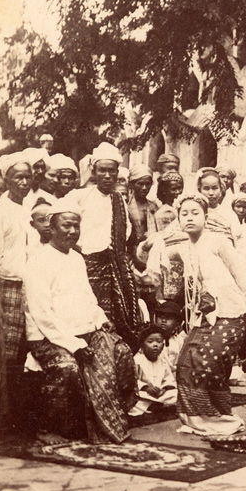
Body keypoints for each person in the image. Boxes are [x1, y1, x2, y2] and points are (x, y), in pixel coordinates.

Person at [24, 197, 135, 444]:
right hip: (47, 337)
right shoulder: (38, 261)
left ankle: (106, 419)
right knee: (68, 368)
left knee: (122, 352)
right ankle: (47, 428)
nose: (72, 231)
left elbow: (88, 298)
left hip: (83, 331)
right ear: (51, 228)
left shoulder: (77, 258)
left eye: (76, 226)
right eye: (66, 225)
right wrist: (74, 345)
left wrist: (101, 318)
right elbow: (42, 315)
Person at [151, 194, 246, 436]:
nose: (189, 218)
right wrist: (152, 243)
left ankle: (218, 417)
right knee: (185, 363)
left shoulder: (217, 241)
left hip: (230, 313)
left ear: (206, 217)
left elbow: (239, 271)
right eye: (184, 214)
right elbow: (160, 250)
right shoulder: (184, 247)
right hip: (204, 316)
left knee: (208, 365)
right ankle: (200, 419)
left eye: (195, 213)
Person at [67, 142, 141, 348]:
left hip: (112, 267)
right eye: (102, 170)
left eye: (111, 171)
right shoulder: (79, 196)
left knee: (112, 317)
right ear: (94, 171)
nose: (107, 176)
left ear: (117, 172)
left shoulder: (119, 199)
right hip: (83, 266)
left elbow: (125, 234)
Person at [0, 154, 34, 430]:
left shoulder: (29, 209)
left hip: (30, 285)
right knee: (8, 349)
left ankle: (20, 411)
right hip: (8, 285)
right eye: (18, 176)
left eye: (27, 176)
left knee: (26, 348)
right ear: (6, 179)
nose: (24, 181)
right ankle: (4, 414)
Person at [129, 324, 178, 417]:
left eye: (159, 341)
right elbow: (133, 380)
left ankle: (156, 406)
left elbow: (168, 378)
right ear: (142, 345)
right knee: (135, 402)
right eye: (150, 341)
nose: (155, 345)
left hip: (160, 393)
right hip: (145, 394)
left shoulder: (163, 361)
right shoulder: (138, 360)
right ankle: (155, 406)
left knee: (175, 394)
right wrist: (146, 388)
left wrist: (164, 388)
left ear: (163, 346)